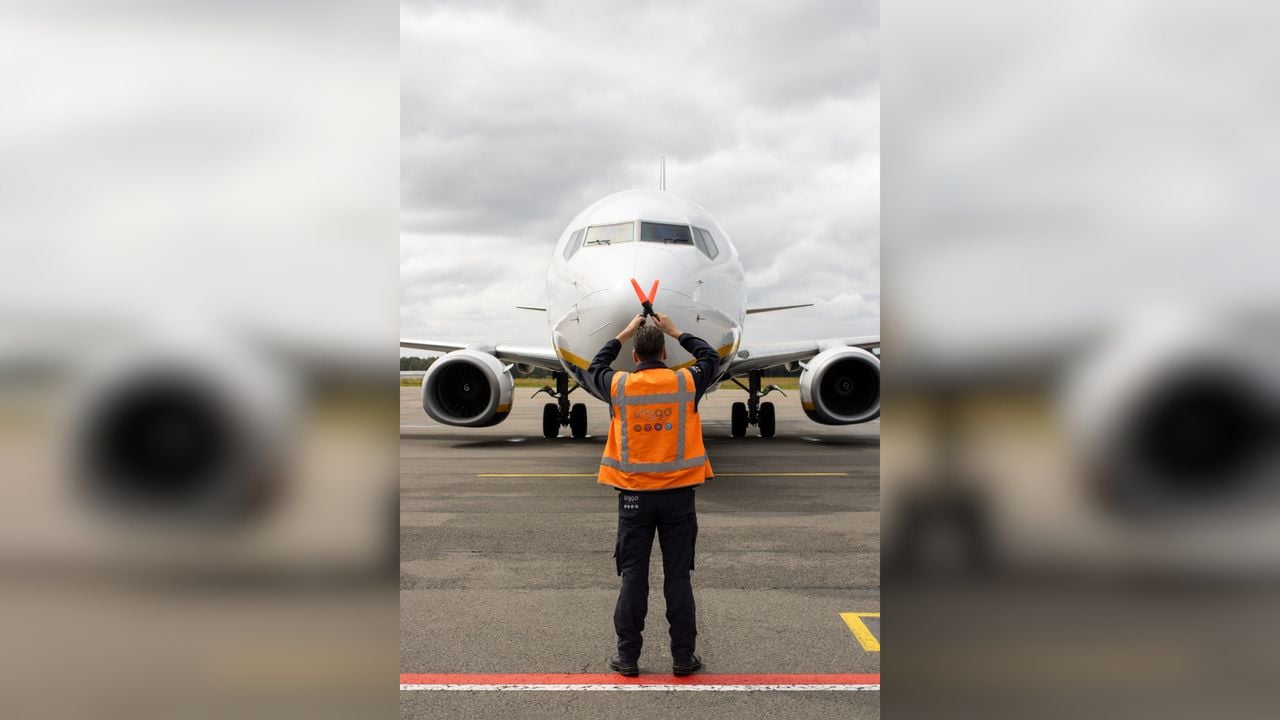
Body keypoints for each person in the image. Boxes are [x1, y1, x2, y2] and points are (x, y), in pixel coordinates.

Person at [588, 311, 720, 677]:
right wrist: (676, 331)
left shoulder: (617, 386)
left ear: (634, 357)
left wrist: (625, 331)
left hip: (634, 498)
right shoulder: (686, 383)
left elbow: (594, 364)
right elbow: (711, 357)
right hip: (678, 497)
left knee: (634, 577)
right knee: (678, 578)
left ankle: (628, 657)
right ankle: (682, 657)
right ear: (665, 353)